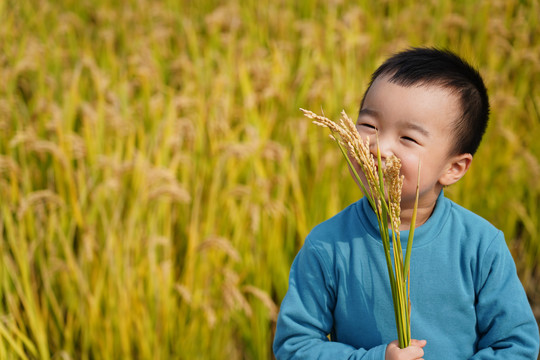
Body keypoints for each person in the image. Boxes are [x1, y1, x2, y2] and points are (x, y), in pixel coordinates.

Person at [273, 47, 540, 359]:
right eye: (369, 125)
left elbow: (516, 345)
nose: (380, 148)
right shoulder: (328, 244)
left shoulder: (480, 245)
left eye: (408, 139)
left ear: (453, 168)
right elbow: (294, 346)